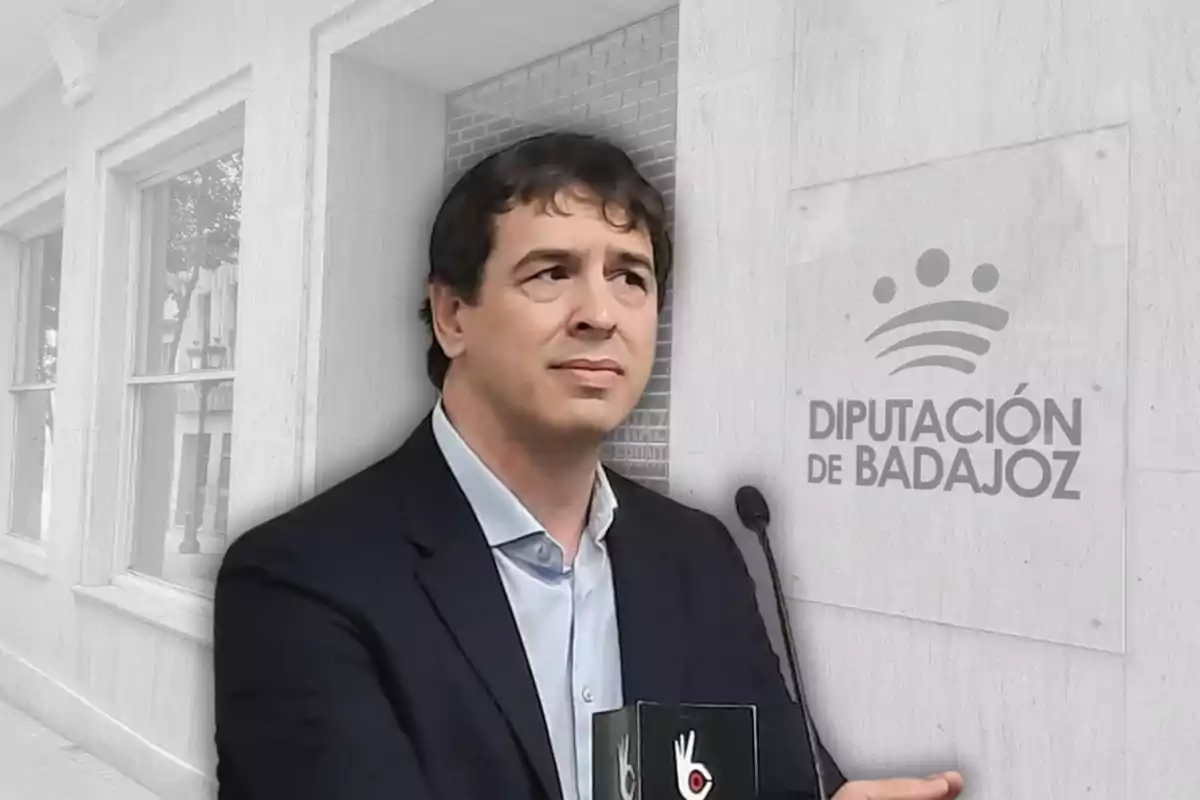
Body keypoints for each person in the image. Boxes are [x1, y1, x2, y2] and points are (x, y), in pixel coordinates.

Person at [212, 132, 964, 800]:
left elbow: (774, 781)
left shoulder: (697, 554)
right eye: (550, 272)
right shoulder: (300, 579)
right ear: (452, 316)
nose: (600, 313)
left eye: (631, 277)